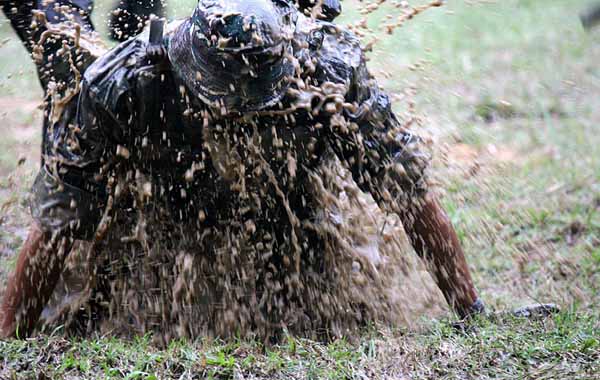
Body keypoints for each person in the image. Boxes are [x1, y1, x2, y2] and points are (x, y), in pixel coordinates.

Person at [0, 0, 487, 339]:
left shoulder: (328, 70)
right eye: (220, 103)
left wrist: (471, 313)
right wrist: (12, 338)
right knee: (98, 291)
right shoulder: (124, 83)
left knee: (308, 305)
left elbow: (408, 192)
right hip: (164, 202)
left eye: (247, 107)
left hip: (288, 210)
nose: (233, 118)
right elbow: (58, 221)